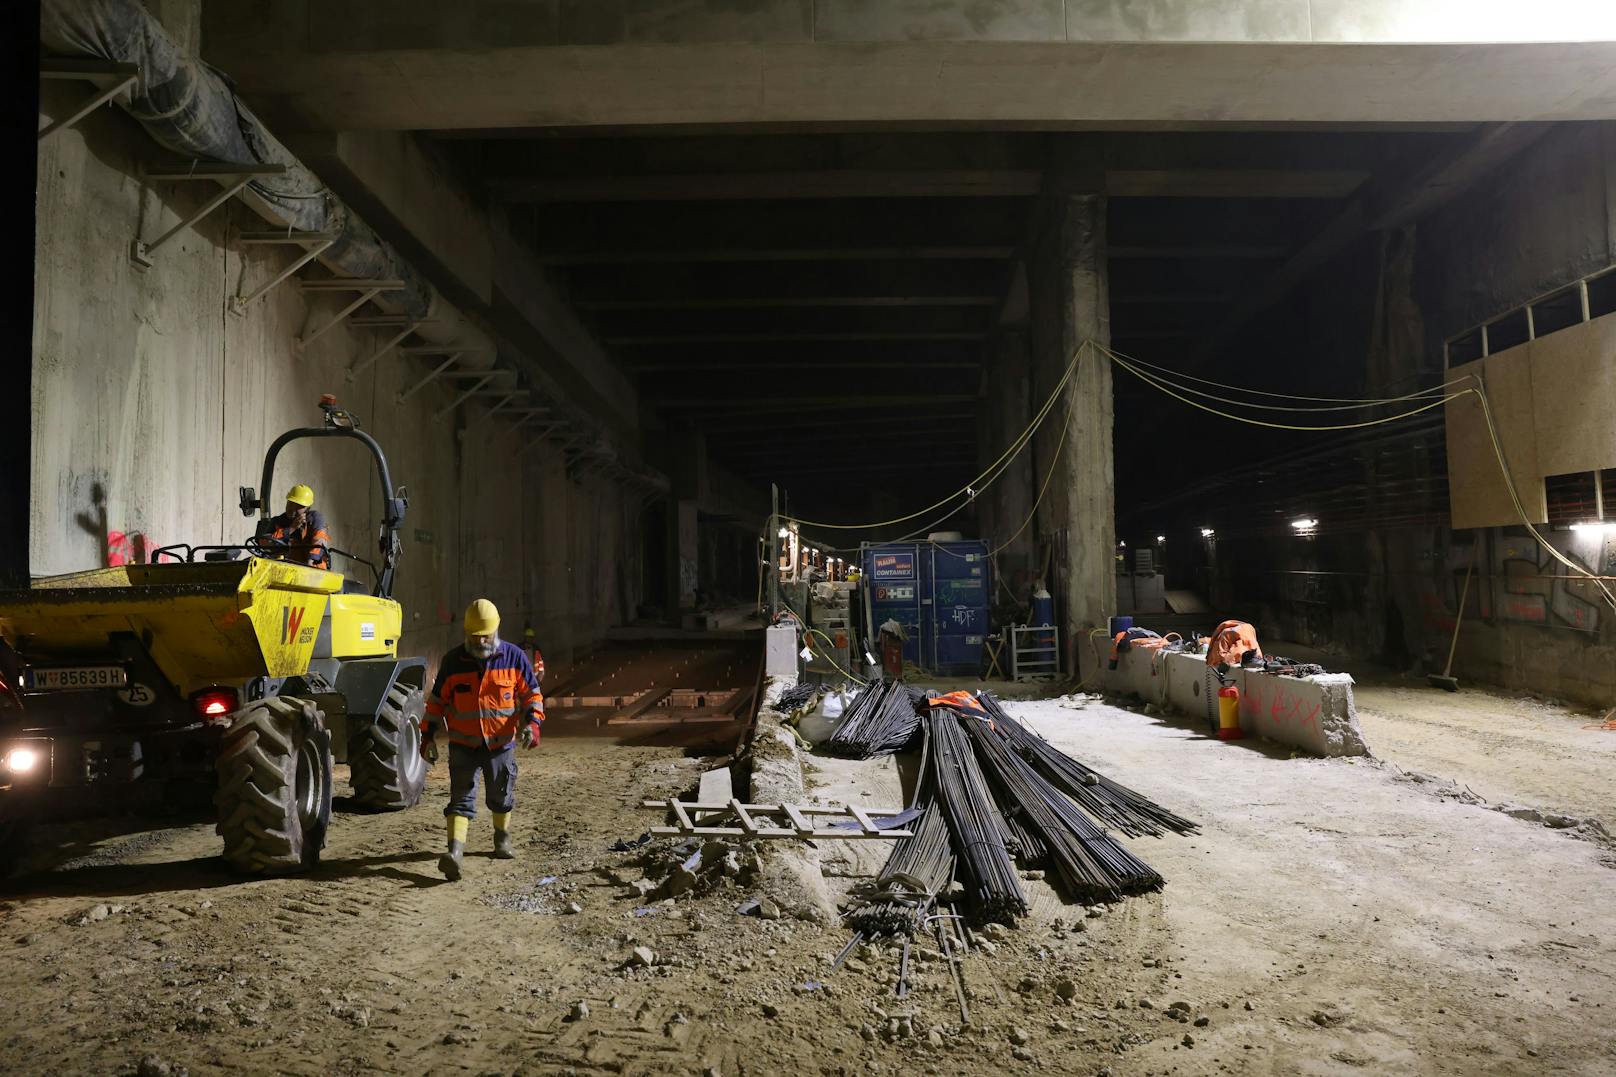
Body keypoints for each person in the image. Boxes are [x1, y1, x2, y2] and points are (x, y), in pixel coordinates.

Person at [421, 599, 543, 881]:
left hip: (500, 744)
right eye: (475, 636)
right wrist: (426, 737)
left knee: (501, 796)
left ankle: (502, 838)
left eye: (485, 635)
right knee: (460, 800)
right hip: (463, 744)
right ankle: (454, 853)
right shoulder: (453, 662)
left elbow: (532, 695)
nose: (480, 641)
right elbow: (436, 704)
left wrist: (533, 724)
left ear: (495, 630)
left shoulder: (514, 658)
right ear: (466, 633)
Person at [264, 484, 332, 570]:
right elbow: (264, 543)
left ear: (307, 508)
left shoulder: (315, 519)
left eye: (298, 506)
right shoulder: (277, 521)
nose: (292, 508)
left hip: (314, 571)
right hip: (283, 569)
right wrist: (291, 529)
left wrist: (310, 563)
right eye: (290, 503)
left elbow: (318, 542)